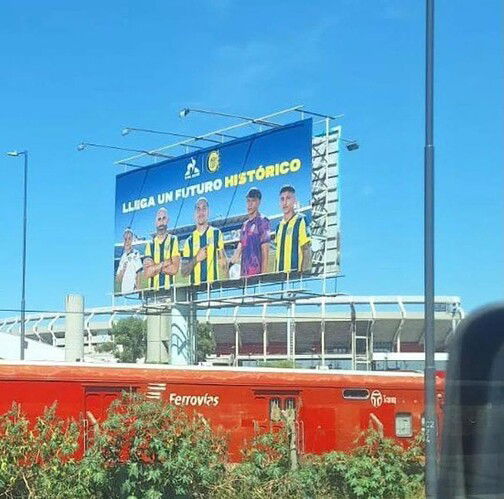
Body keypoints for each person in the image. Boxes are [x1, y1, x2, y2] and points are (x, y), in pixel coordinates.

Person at [181, 197, 227, 285]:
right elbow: (183, 272)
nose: (201, 212)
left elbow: (223, 262)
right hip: (195, 292)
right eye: (198, 209)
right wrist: (196, 259)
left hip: (213, 289)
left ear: (208, 212)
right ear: (194, 214)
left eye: (204, 208)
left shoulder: (216, 233)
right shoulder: (189, 241)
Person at [231, 187, 271, 277]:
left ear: (258, 202)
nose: (250, 204)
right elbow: (238, 251)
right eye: (248, 201)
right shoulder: (244, 225)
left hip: (257, 276)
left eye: (253, 201)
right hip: (244, 276)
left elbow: (265, 251)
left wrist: (263, 277)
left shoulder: (263, 221)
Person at [275, 185, 311, 273]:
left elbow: (306, 250)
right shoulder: (278, 226)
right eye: (282, 199)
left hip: (295, 277)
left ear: (294, 200)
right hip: (280, 278)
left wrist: (303, 275)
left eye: (288, 198)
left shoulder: (301, 220)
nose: (285, 202)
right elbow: (277, 256)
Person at [143, 207, 180, 291]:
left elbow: (174, 269)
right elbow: (147, 273)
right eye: (159, 219)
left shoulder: (173, 240)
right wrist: (164, 264)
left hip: (169, 292)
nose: (161, 222)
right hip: (152, 293)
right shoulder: (150, 244)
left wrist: (154, 268)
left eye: (164, 218)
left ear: (168, 220)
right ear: (155, 222)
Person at [115, 228, 142, 294]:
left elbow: (139, 272)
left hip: (133, 291)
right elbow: (118, 280)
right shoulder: (122, 257)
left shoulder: (135, 253)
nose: (127, 241)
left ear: (132, 240)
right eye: (125, 239)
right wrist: (123, 270)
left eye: (129, 239)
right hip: (124, 291)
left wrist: (138, 289)